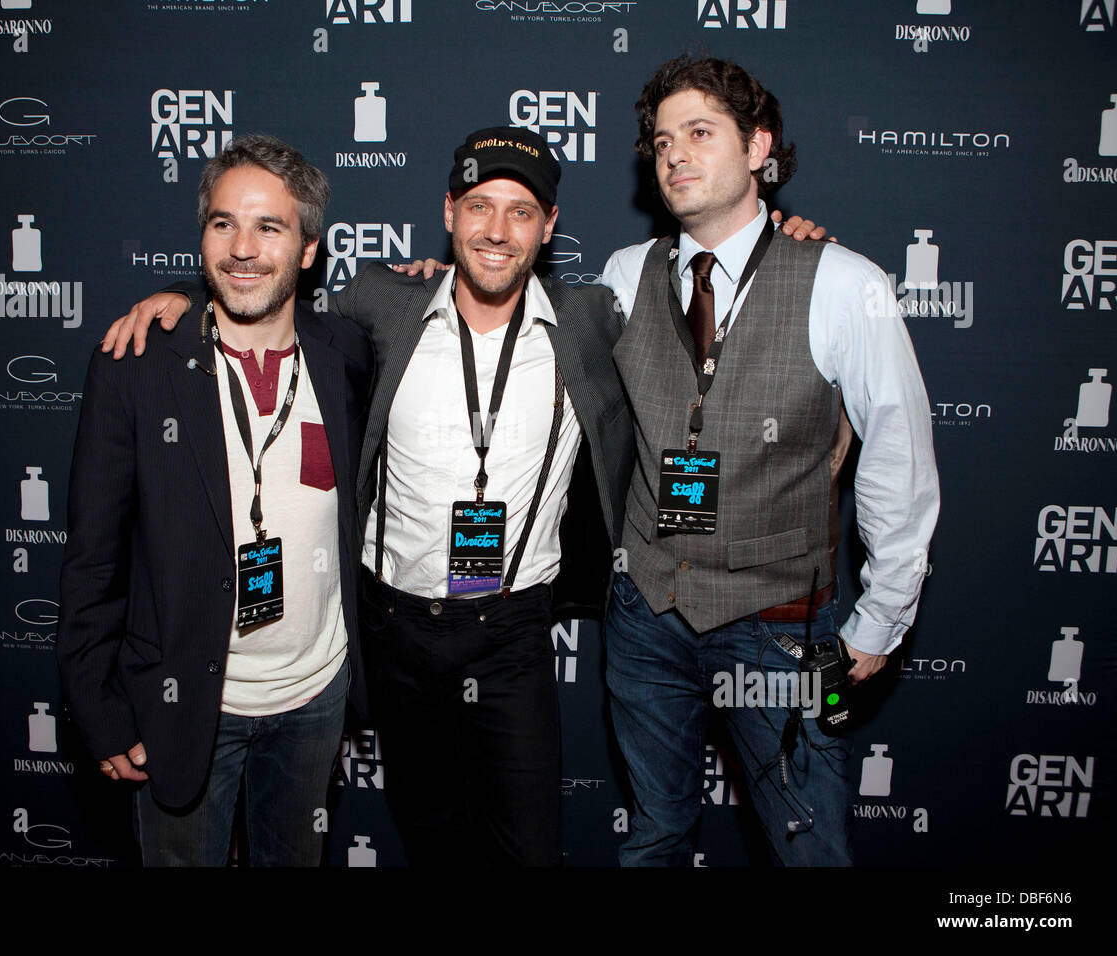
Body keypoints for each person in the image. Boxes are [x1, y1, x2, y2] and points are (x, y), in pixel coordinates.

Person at [101, 126, 634, 866]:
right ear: (448, 213)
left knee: (529, 848)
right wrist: (184, 294)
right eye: (480, 206)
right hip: (394, 630)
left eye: (521, 211)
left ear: (549, 226)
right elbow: (265, 293)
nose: (497, 230)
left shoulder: (591, 320)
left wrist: (785, 242)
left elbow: (709, 304)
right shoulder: (382, 303)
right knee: (430, 834)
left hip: (512, 632)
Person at [600, 56, 940, 865]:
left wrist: (882, 619)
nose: (675, 153)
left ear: (759, 148)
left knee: (810, 845)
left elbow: (899, 450)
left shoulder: (844, 283)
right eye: (661, 141)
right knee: (652, 838)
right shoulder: (622, 275)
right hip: (645, 614)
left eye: (700, 133)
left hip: (786, 625)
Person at [56, 134, 372, 866]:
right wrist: (100, 714)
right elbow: (91, 557)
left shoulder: (344, 354)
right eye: (223, 223)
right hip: (186, 706)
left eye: (270, 227)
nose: (243, 248)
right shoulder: (137, 364)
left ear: (310, 249)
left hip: (315, 700)